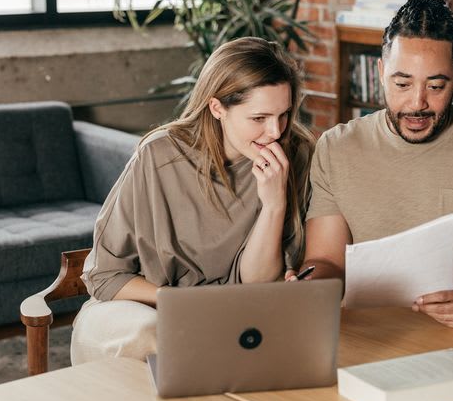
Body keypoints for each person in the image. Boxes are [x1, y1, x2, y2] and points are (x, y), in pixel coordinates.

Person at [291, 0, 453, 329]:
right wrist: (310, 287)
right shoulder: (336, 147)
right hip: (370, 332)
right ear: (381, 73)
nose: (418, 103)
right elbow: (326, 261)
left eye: (436, 85)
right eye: (402, 83)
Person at [71, 37, 315, 364]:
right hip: (137, 314)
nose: (274, 131)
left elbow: (258, 284)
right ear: (217, 108)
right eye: (259, 118)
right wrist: (188, 304)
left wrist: (273, 204)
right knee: (161, 338)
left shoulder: (294, 153)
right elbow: (105, 277)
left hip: (231, 318)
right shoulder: (159, 156)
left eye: (284, 115)